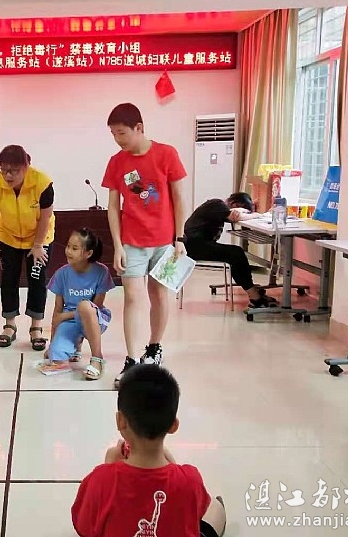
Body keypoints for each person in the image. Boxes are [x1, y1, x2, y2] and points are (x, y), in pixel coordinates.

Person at [71, 364, 226, 537]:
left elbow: (84, 528)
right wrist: (172, 465)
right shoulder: (190, 479)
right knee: (214, 507)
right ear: (173, 426)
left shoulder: (100, 480)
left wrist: (109, 467)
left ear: (120, 421)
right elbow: (190, 509)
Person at [102, 103, 188, 387]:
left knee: (160, 295)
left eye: (122, 133)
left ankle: (153, 348)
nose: (118, 139)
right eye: (114, 134)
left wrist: (180, 238)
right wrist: (118, 245)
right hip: (132, 242)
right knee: (132, 297)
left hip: (164, 241)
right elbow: (113, 207)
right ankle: (131, 359)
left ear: (139, 127)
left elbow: (179, 198)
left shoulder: (167, 154)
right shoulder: (117, 162)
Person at [0, 145, 55, 350]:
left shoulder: (42, 182)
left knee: (37, 280)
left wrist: (38, 245)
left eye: (14, 171)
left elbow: (45, 217)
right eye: (4, 169)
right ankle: (9, 325)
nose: (8, 175)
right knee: (9, 279)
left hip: (39, 238)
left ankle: (36, 327)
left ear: (26, 166)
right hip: (8, 237)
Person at [184, 191, 278, 308]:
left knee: (235, 254)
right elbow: (236, 216)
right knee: (236, 253)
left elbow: (237, 216)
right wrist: (260, 215)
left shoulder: (219, 208)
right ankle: (255, 296)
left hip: (198, 244)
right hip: (194, 246)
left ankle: (252, 291)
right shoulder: (217, 204)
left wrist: (249, 213)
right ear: (234, 203)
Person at [44, 228, 115, 380]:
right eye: (68, 246)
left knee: (84, 306)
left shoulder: (102, 272)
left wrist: (67, 315)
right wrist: (51, 345)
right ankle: (74, 344)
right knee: (56, 356)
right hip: (70, 321)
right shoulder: (61, 274)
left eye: (75, 248)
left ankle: (97, 359)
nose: (68, 251)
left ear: (88, 253)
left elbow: (96, 307)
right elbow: (57, 314)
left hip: (93, 318)